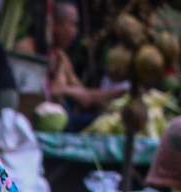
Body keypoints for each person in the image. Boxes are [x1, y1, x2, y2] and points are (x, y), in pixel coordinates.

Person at [47, 1, 127, 129]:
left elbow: (85, 96)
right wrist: (63, 89)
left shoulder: (62, 58)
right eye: (72, 24)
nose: (75, 31)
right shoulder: (31, 49)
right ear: (56, 25)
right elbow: (55, 91)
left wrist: (119, 93)